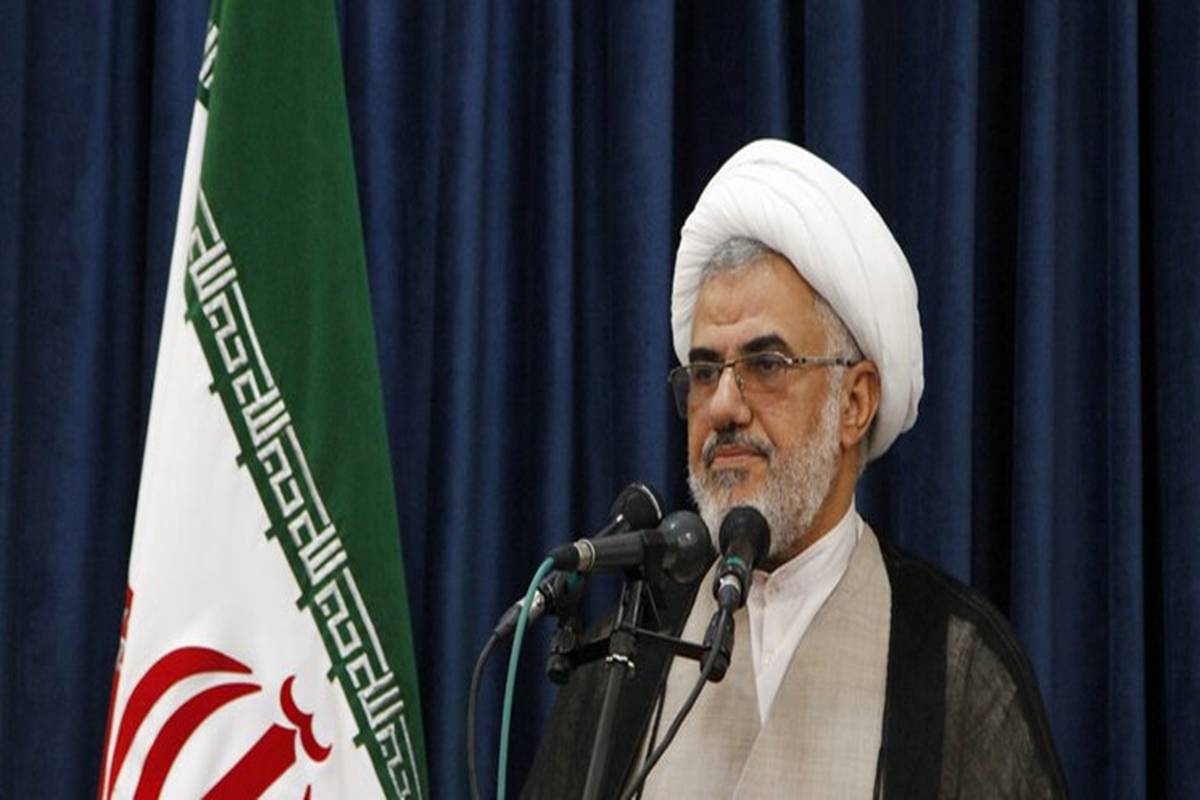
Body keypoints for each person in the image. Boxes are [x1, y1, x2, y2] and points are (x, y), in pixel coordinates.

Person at [522, 140, 1066, 798]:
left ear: (855, 403)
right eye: (704, 371)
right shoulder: (629, 653)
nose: (723, 407)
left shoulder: (953, 667)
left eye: (765, 365)